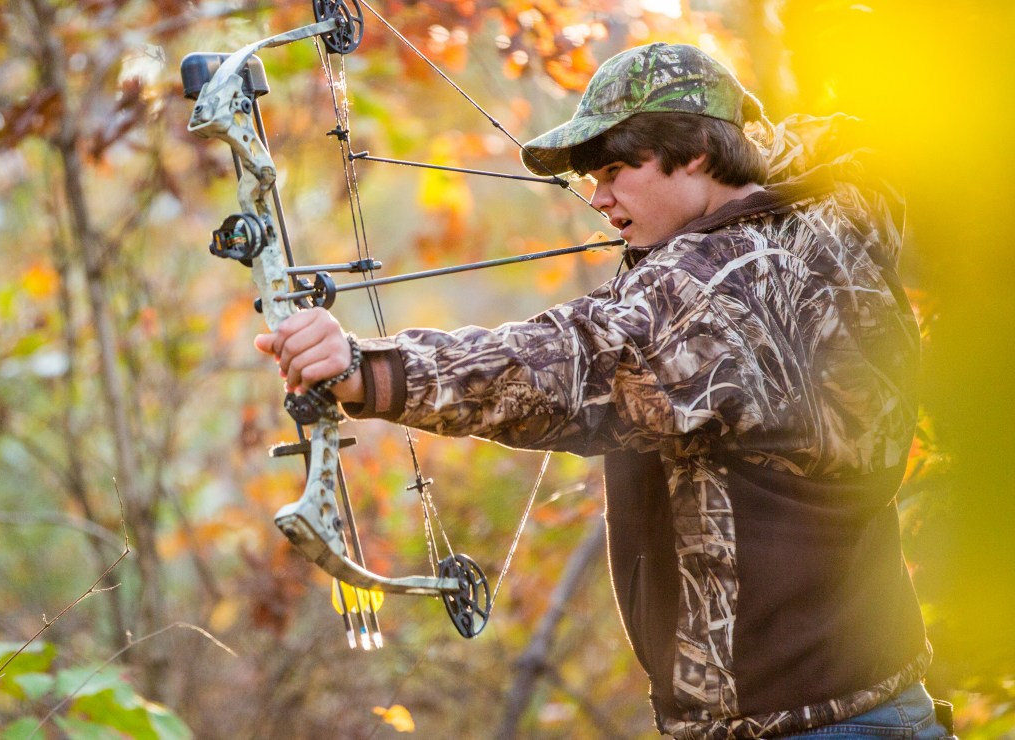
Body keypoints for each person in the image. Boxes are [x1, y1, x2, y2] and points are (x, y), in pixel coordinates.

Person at [255, 43, 951, 739]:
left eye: (617, 170)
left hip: (804, 725)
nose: (599, 196)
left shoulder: (715, 286)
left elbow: (566, 364)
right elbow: (819, 143)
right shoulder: (830, 213)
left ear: (701, 153)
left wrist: (363, 369)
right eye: (592, 175)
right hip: (880, 700)